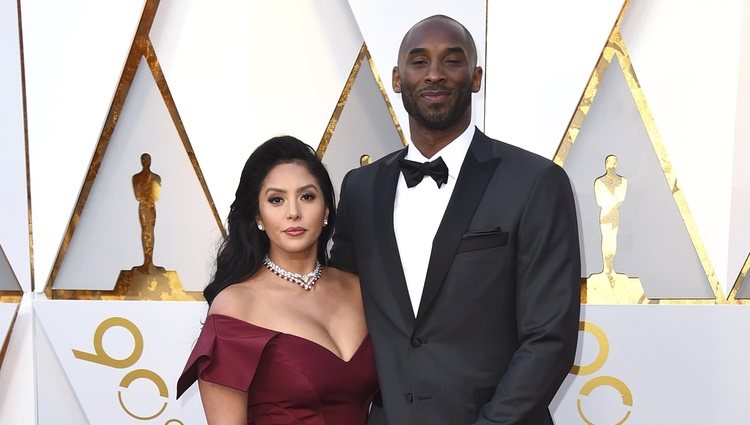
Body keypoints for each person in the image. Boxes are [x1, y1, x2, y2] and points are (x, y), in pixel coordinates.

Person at [329, 15, 581, 424]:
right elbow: (335, 304)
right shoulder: (360, 190)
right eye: (418, 61)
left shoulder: (535, 182)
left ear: (476, 77)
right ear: (396, 78)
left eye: (452, 61)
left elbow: (549, 338)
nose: (434, 74)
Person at [176, 136, 378, 424]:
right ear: (258, 216)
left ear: (326, 211)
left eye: (307, 196)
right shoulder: (236, 305)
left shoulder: (360, 289)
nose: (293, 212)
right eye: (276, 199)